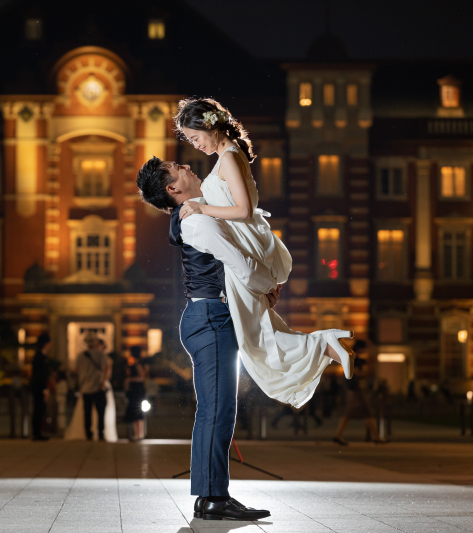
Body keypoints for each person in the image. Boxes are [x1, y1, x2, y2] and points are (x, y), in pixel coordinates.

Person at [170, 98, 356, 410]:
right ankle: (324, 345)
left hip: (248, 245)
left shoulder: (228, 157)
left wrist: (202, 207)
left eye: (196, 137)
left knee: (251, 339)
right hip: (252, 244)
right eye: (190, 141)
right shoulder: (229, 155)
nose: (195, 145)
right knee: (259, 328)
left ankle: (325, 344)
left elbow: (243, 210)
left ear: (210, 126)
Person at [137, 160, 281, 521]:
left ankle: (212, 494)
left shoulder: (197, 214)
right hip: (211, 319)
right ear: (172, 189)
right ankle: (212, 497)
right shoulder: (197, 220)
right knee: (216, 410)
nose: (185, 164)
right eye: (175, 167)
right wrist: (267, 287)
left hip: (211, 317)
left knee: (218, 409)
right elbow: (242, 268)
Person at [333, 341, 388, 445]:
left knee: (355, 414)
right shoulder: (355, 359)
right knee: (366, 412)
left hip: (354, 389)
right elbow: (358, 374)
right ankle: (376, 437)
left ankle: (338, 435)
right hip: (357, 389)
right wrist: (370, 370)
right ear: (359, 348)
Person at [73, 333, 112, 441]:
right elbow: (105, 369)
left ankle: (88, 434)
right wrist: (102, 383)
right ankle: (100, 433)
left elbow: (76, 371)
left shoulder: (80, 356)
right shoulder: (100, 355)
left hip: (85, 388)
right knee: (101, 412)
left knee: (87, 412)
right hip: (98, 387)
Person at [30, 333, 51, 441]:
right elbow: (41, 375)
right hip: (39, 387)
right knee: (39, 409)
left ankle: (37, 432)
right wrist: (44, 388)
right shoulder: (40, 357)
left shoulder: (39, 356)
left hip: (37, 386)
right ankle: (36, 433)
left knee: (39, 409)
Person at [124, 346, 147, 442]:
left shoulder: (138, 363)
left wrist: (130, 379)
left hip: (137, 390)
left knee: (137, 410)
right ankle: (137, 433)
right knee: (134, 410)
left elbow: (142, 376)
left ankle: (139, 433)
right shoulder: (133, 362)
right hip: (134, 390)